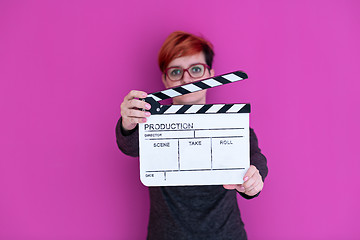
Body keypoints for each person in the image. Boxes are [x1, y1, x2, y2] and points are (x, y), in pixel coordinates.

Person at [115, 31, 268, 240]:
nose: (186, 79)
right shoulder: (152, 123)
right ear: (165, 80)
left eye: (196, 69)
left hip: (225, 234)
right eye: (176, 72)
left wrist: (254, 179)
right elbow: (130, 145)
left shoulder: (231, 125)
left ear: (210, 74)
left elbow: (254, 157)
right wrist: (128, 121)